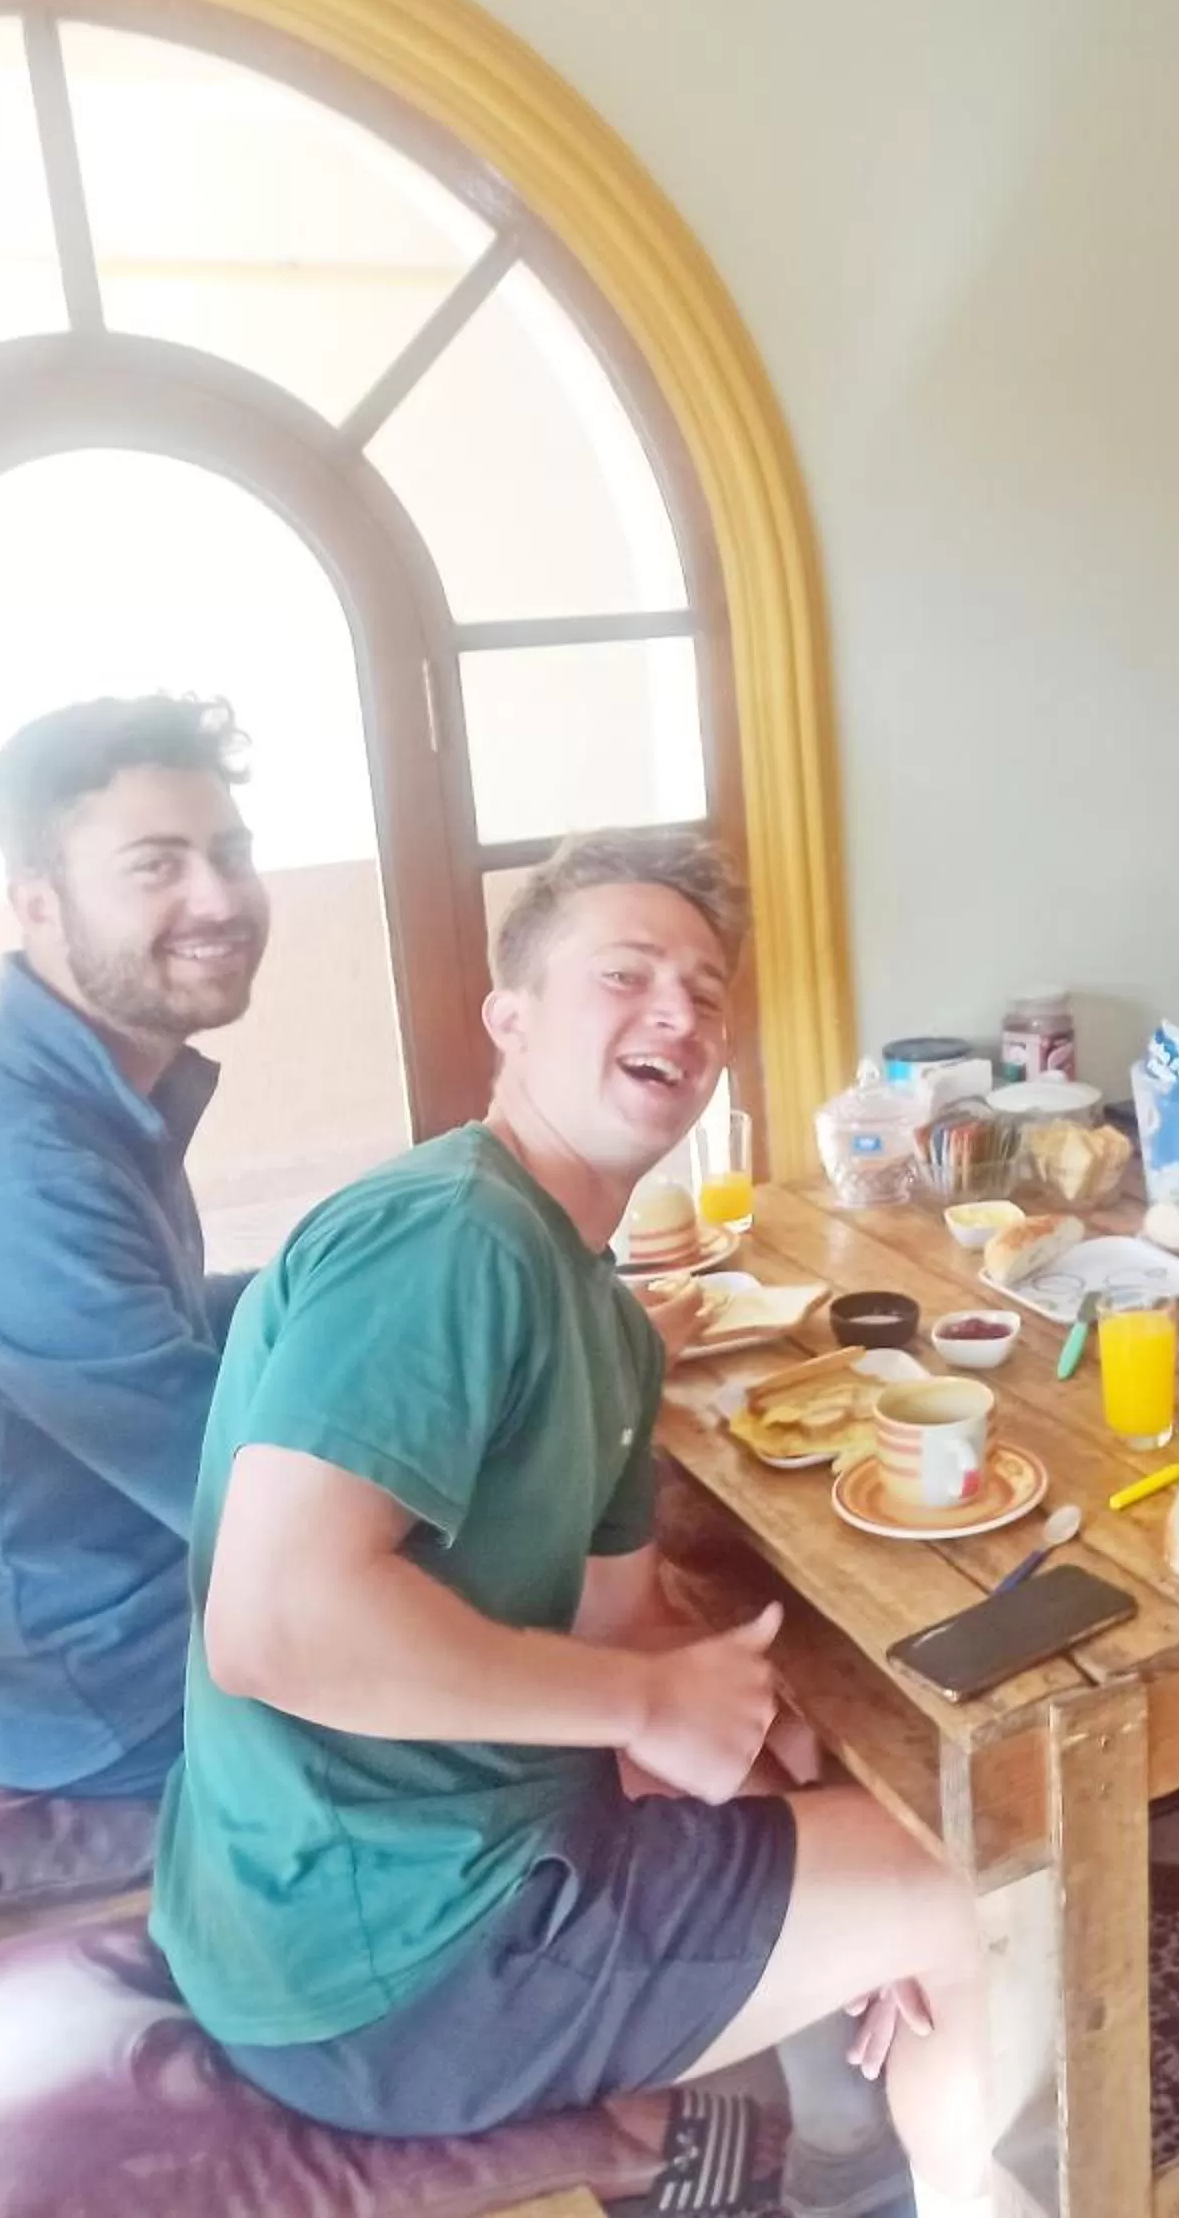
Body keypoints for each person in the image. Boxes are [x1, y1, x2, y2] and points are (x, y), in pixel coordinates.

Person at [149, 830, 991, 2216]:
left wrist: (797, 1819)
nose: (680, 1012)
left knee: (858, 1824)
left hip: (399, 1882)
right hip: (383, 1961)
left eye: (707, 991)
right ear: (512, 1020)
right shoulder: (449, 1239)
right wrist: (655, 1706)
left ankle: (848, 2169)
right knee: (978, 1903)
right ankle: (874, 2165)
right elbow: (275, 1624)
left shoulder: (600, 1308)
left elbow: (627, 1631)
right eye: (627, 975)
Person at [0, 696, 270, 1799]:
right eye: (155, 866)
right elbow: (256, 1506)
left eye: (229, 854)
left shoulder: (58, 1077)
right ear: (37, 902)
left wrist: (442, 1290)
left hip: (105, 1615)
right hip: (102, 1698)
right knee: (562, 1595)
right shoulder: (16, 1180)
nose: (217, 898)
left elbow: (172, 1320)